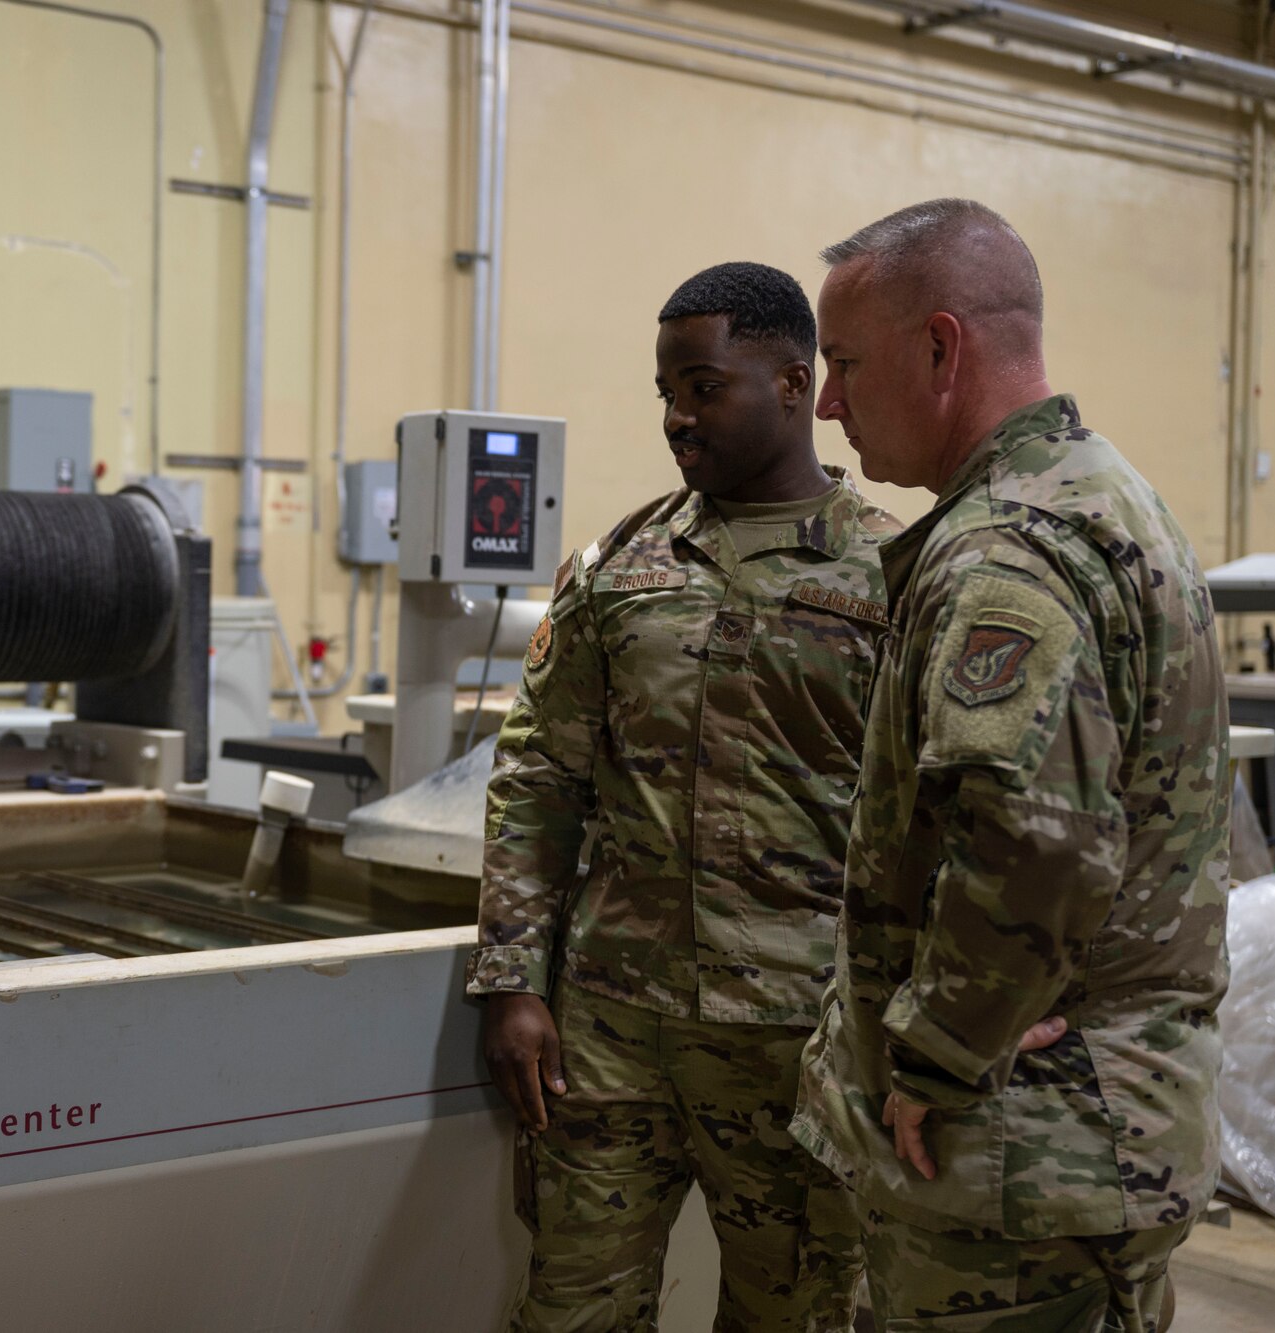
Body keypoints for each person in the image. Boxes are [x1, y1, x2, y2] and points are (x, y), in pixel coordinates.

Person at [790, 198, 1230, 1331]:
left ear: (939, 348)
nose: (826, 402)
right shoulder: (1109, 497)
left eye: (842, 363)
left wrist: (937, 1052)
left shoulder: (1006, 548)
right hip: (1107, 1133)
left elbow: (1031, 840)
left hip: (1014, 1162)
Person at [470, 261, 901, 1332]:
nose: (675, 416)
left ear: (793, 383)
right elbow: (537, 778)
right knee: (567, 1310)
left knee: (792, 1317)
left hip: (798, 1044)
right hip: (612, 1040)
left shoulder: (892, 574)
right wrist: (514, 981)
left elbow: (927, 826)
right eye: (664, 390)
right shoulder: (620, 565)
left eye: (703, 387)